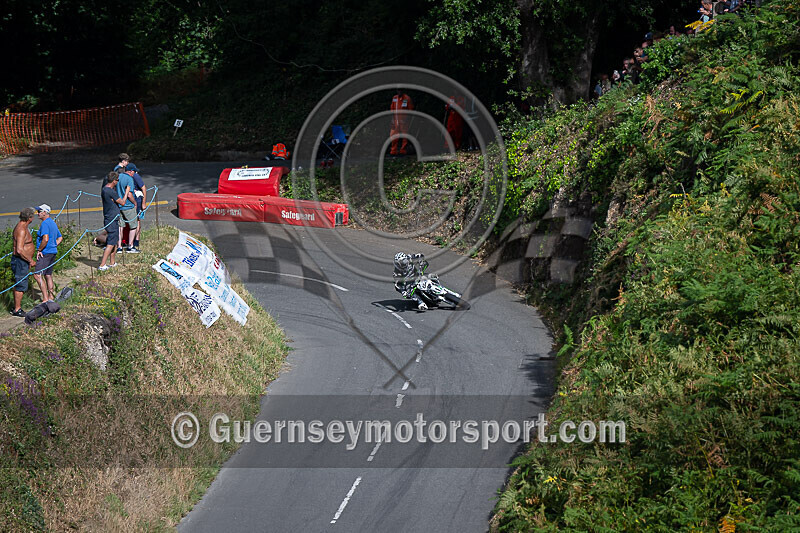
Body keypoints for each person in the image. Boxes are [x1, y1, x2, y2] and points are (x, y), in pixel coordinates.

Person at [10, 208, 37, 317]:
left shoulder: (23, 227)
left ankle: (16, 306)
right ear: (29, 218)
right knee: (21, 284)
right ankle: (17, 309)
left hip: (22, 260)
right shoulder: (21, 229)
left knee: (19, 283)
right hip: (21, 261)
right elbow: (19, 250)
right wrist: (30, 260)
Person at [33, 204, 62, 302]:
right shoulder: (52, 223)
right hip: (52, 252)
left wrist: (39, 250)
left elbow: (45, 239)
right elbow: (60, 237)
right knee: (48, 274)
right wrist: (54, 245)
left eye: (39, 211)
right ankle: (51, 296)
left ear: (45, 212)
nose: (38, 213)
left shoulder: (45, 224)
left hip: (45, 253)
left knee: (37, 275)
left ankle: (45, 298)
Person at [99, 171, 125, 270]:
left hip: (110, 217)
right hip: (111, 219)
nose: (118, 182)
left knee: (114, 240)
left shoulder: (105, 189)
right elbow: (122, 202)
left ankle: (112, 262)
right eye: (117, 180)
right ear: (114, 181)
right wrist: (127, 192)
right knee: (110, 243)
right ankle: (102, 265)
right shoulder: (110, 191)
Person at [116, 166, 139, 253]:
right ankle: (130, 246)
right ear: (131, 171)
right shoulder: (129, 179)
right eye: (134, 172)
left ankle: (119, 246)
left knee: (120, 226)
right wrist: (135, 203)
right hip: (128, 206)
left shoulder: (119, 176)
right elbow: (129, 194)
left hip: (119, 205)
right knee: (133, 226)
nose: (135, 173)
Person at [389, 88, 414, 156]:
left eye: (400, 90)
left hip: (404, 121)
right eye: (398, 90)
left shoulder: (407, 98)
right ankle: (393, 151)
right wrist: (392, 119)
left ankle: (403, 150)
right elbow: (392, 109)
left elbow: (411, 110)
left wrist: (406, 119)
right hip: (395, 120)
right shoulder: (394, 98)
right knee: (393, 135)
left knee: (404, 136)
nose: (399, 91)